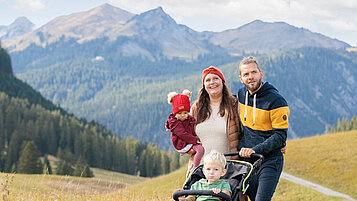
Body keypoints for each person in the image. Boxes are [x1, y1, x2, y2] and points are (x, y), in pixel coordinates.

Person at [237, 56, 290, 201]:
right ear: (241, 78)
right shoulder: (241, 95)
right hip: (249, 161)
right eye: (246, 74)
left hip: (270, 160)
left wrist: (255, 149)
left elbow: (280, 136)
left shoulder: (276, 100)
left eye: (254, 72)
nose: (251, 77)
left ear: (261, 73)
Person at [191, 66, 242, 160]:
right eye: (208, 80)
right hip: (201, 168)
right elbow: (185, 133)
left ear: (222, 82)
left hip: (228, 168)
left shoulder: (234, 105)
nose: (212, 82)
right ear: (204, 85)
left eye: (216, 78)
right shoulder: (196, 108)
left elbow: (246, 132)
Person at [166, 89, 205, 175]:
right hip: (182, 143)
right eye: (180, 113)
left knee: (200, 150)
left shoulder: (189, 119)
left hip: (188, 141)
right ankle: (195, 167)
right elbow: (182, 134)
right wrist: (195, 140)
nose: (183, 115)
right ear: (175, 113)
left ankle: (195, 167)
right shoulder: (174, 123)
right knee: (200, 149)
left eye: (185, 113)